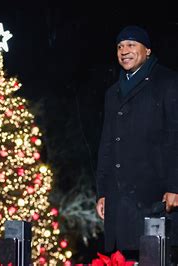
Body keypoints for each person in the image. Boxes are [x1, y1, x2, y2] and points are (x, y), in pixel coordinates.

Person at [95, 25, 178, 260]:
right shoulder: (112, 93)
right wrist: (103, 192)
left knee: (156, 255)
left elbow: (175, 135)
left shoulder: (168, 82)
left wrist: (175, 186)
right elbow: (107, 144)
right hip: (120, 199)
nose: (124, 51)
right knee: (123, 256)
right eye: (120, 46)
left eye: (131, 45)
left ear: (147, 50)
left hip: (155, 194)